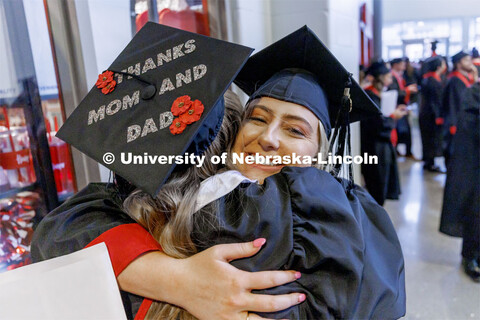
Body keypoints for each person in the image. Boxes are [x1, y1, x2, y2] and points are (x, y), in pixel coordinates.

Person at [33, 25, 406, 319]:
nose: (269, 138)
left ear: (320, 154)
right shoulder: (184, 186)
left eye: (295, 130)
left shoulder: (346, 219)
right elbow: (58, 231)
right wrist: (177, 280)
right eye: (257, 119)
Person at [440, 82, 480, 282]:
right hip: (476, 165)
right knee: (475, 213)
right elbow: (469, 126)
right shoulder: (473, 93)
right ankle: (471, 256)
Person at [361, 60, 407, 205]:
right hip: (374, 147)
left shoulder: (380, 95)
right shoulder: (369, 96)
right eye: (387, 76)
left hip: (384, 145)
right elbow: (377, 124)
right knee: (377, 184)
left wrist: (393, 113)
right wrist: (394, 116)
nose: (390, 79)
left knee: (384, 183)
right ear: (379, 77)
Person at [441, 51, 476, 165]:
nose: (470, 62)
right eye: (466, 60)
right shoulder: (455, 80)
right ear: (458, 64)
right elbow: (453, 104)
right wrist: (453, 124)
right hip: (455, 123)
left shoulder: (465, 78)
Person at [419, 56, 447, 173]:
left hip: (426, 114)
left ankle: (428, 162)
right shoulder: (433, 81)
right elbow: (436, 101)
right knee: (431, 139)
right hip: (431, 116)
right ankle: (430, 163)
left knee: (428, 139)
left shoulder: (428, 79)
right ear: (438, 67)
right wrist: (438, 117)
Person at [388, 57, 418, 159]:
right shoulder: (392, 76)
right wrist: (407, 90)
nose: (404, 65)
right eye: (402, 63)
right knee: (398, 130)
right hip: (395, 107)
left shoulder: (400, 76)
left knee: (403, 130)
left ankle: (405, 151)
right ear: (395, 65)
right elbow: (393, 92)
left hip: (402, 106)